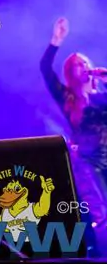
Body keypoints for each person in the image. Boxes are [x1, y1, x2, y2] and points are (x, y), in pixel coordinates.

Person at [42, 17, 107, 230]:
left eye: (85, 63)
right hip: (89, 162)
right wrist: (56, 40)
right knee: (101, 211)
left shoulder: (102, 96)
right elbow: (45, 69)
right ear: (71, 72)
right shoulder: (68, 98)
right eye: (77, 65)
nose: (83, 66)